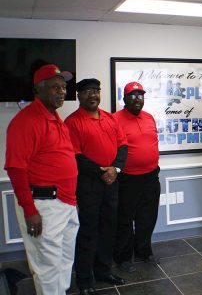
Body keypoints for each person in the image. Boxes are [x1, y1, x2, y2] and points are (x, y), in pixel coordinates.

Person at [4, 64, 78, 295]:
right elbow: (16, 169)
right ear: (38, 90)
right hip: (43, 205)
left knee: (64, 260)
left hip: (66, 203)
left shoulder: (55, 118)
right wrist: (29, 210)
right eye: (55, 87)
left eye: (64, 87)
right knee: (46, 266)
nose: (62, 92)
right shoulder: (25, 121)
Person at [65, 78, 128, 295]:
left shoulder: (110, 118)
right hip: (88, 184)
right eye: (87, 91)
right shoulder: (72, 122)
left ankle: (103, 271)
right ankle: (84, 279)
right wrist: (103, 173)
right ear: (79, 96)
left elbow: (123, 146)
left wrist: (115, 170)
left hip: (112, 182)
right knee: (88, 231)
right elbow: (75, 155)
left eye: (96, 91)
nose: (93, 95)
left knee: (109, 228)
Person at [113, 82, 161, 273]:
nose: (137, 99)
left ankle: (143, 250)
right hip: (127, 179)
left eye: (140, 95)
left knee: (147, 217)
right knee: (125, 220)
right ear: (124, 99)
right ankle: (124, 257)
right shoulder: (114, 119)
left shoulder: (149, 117)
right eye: (132, 95)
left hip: (151, 176)